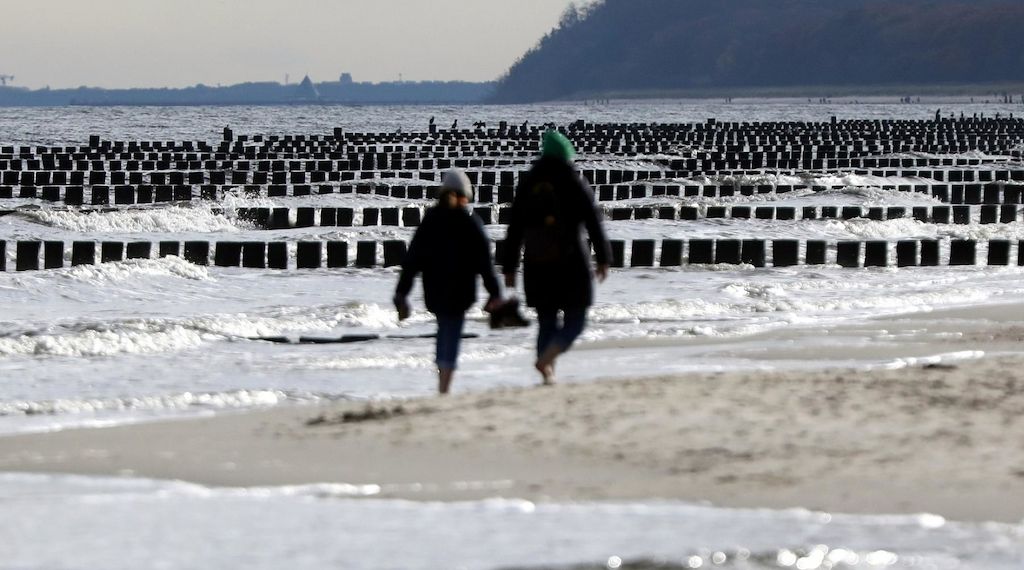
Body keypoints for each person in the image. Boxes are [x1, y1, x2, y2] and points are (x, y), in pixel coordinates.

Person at [502, 130, 611, 385]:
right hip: (571, 261)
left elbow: (514, 228)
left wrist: (509, 267)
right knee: (576, 320)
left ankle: (547, 371)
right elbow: (593, 221)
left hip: (536, 263)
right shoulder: (573, 181)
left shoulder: (528, 183)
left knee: (546, 320)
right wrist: (603, 257)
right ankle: (549, 358)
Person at [394, 169, 502, 394]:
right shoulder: (470, 222)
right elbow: (484, 262)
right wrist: (494, 292)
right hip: (461, 290)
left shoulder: (430, 221)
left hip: (434, 289)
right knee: (451, 331)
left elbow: (412, 260)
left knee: (445, 328)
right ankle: (444, 382)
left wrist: (402, 293)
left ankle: (443, 377)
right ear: (466, 194)